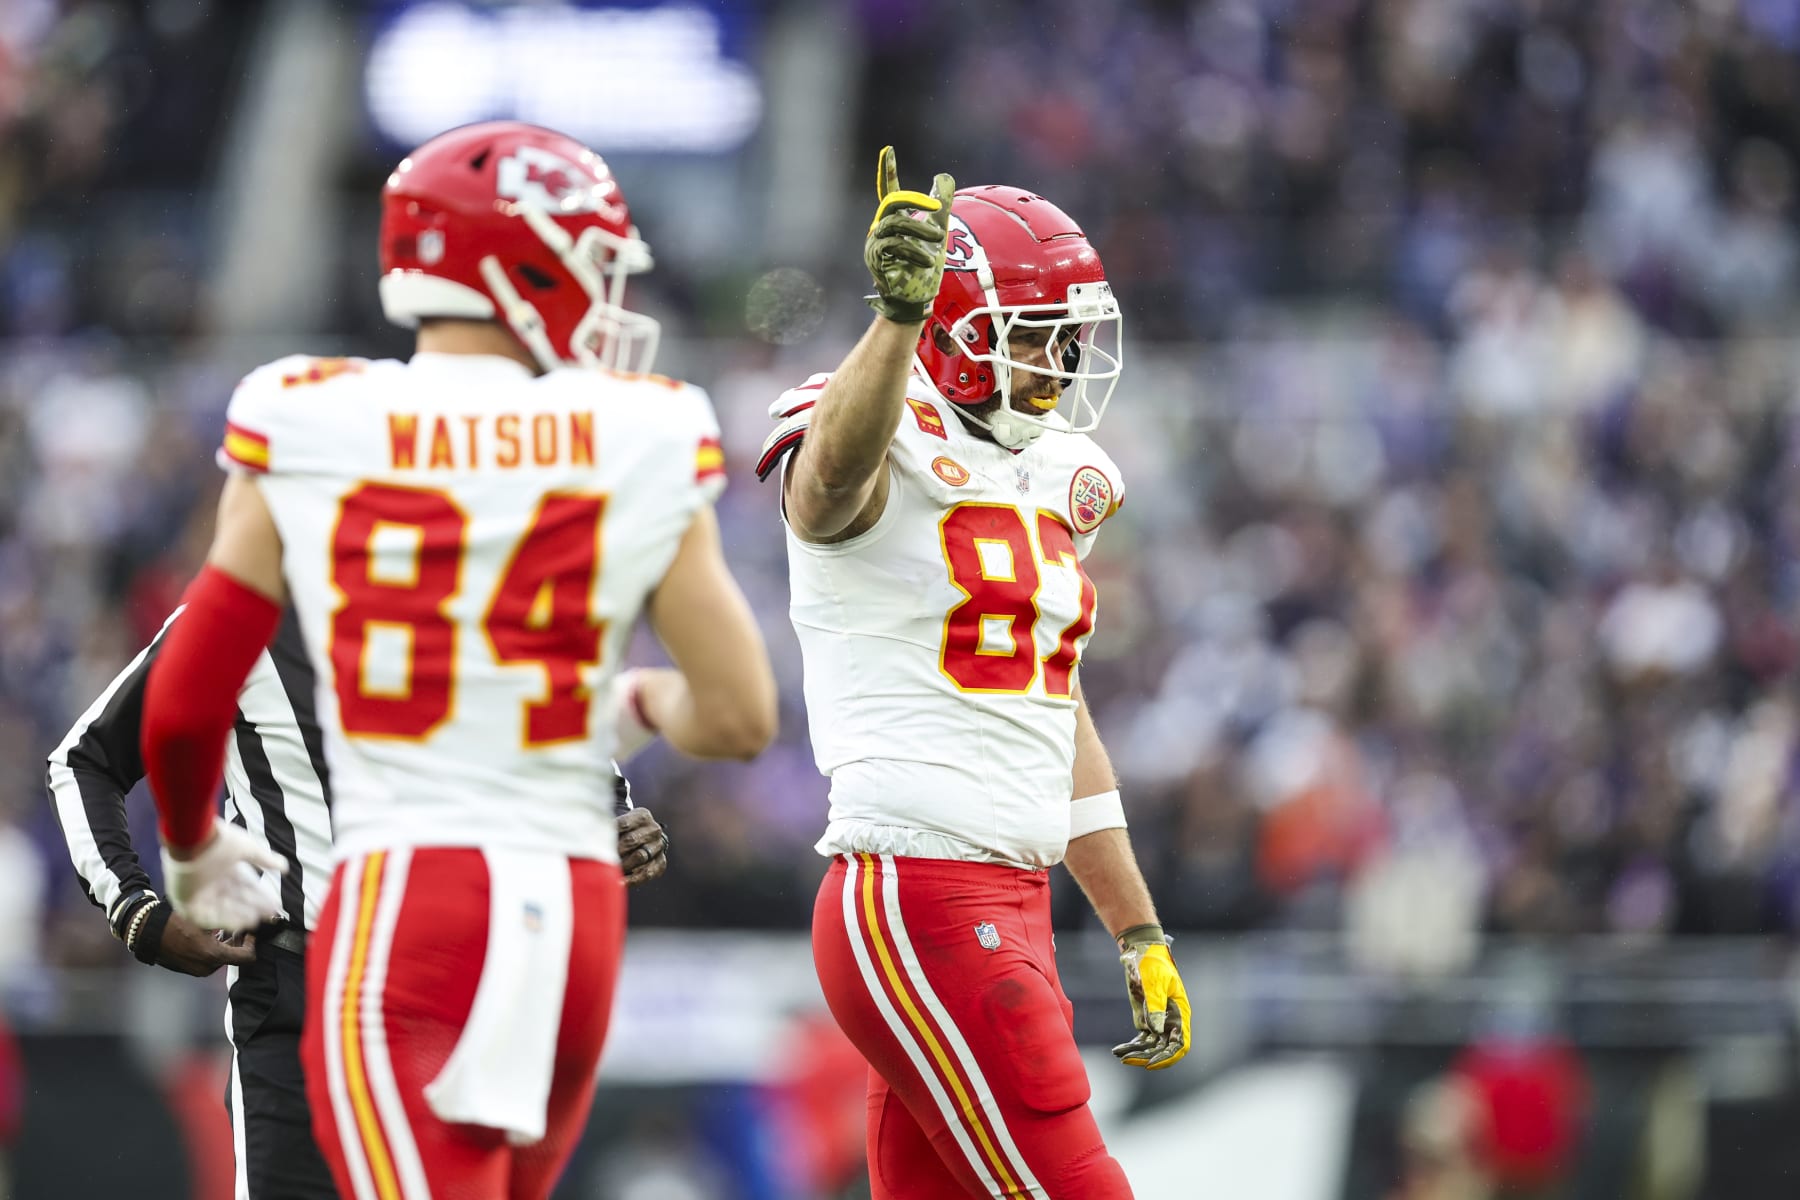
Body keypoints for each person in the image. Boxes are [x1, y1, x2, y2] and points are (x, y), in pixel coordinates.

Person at [137, 120, 777, 1200]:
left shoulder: (311, 415)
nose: (609, 298)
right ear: (519, 262)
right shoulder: (641, 429)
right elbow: (743, 717)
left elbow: (185, 704)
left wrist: (195, 850)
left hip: (413, 901)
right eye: (593, 263)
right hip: (575, 909)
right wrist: (637, 698)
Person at [756, 148, 1189, 1199]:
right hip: (921, 889)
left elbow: (1055, 712)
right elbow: (825, 490)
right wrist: (894, 322)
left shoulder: (1051, 473)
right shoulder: (877, 428)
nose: (1058, 366)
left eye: (1066, 338)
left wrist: (1136, 926)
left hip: (1013, 892)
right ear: (954, 338)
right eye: (1032, 339)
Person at [45, 606, 672, 1198]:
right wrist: (140, 912)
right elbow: (84, 759)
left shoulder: (470, 582)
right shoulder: (247, 609)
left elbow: (569, 739)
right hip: (301, 986)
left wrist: (606, 821)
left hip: (459, 994)